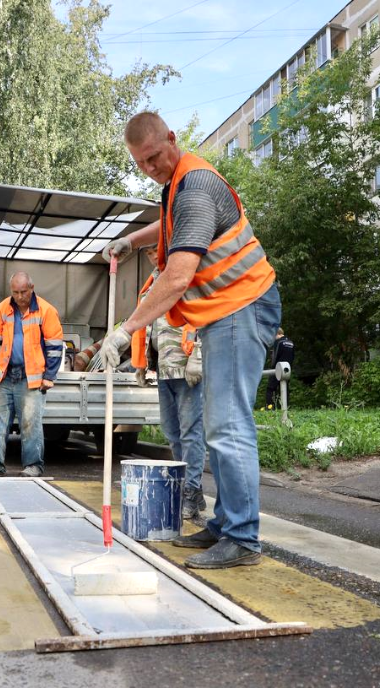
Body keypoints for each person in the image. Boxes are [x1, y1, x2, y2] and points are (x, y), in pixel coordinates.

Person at [100, 111, 281, 570]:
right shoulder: (176, 185)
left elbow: (178, 276)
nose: (150, 168)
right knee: (221, 423)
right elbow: (170, 228)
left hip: (243, 307)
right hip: (227, 311)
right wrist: (132, 240)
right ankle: (225, 525)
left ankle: (242, 537)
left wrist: (127, 330)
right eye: (141, 163)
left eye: (155, 157)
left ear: (172, 141)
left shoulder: (196, 187)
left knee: (227, 424)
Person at [132, 246, 206, 520]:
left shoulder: (186, 273)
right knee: (172, 433)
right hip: (163, 369)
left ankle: (190, 491)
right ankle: (190, 490)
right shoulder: (153, 280)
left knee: (190, 433)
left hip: (187, 367)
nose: (152, 255)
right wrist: (142, 362)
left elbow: (203, 313)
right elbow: (147, 323)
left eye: (155, 249)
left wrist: (198, 353)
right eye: (148, 252)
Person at [0, 271, 63, 478]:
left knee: (30, 423)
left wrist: (49, 376)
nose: (20, 296)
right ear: (11, 291)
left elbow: (55, 346)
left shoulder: (46, 310)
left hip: (31, 377)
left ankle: (33, 466)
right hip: (7, 376)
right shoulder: (4, 307)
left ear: (31, 288)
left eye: (23, 291)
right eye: (15, 292)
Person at [265, 328, 295, 409]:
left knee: (270, 388)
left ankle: (270, 407)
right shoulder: (291, 342)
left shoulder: (278, 342)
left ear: (277, 334)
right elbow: (293, 356)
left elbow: (275, 356)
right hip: (287, 369)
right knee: (285, 388)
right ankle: (285, 407)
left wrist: (272, 368)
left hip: (277, 368)